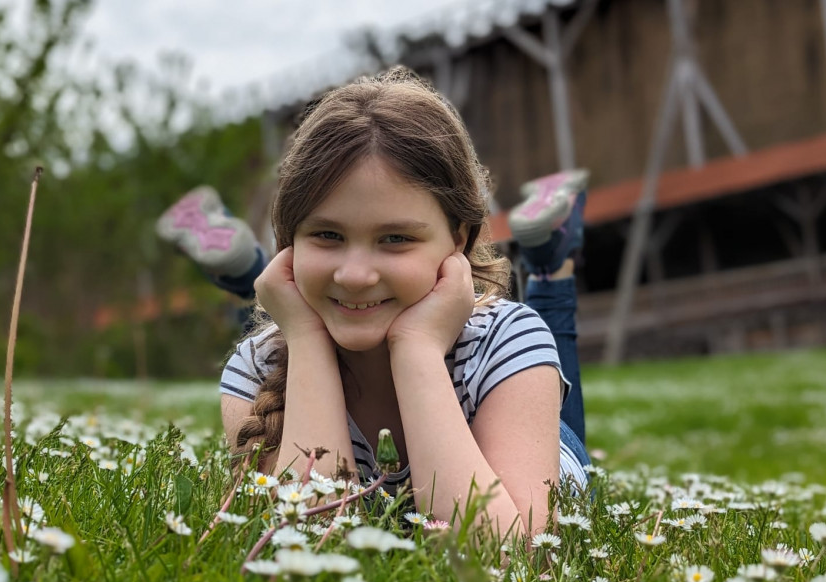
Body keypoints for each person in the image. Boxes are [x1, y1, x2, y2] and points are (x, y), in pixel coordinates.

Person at [157, 67, 590, 536]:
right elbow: (304, 544)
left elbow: (508, 555)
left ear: (457, 240)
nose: (356, 275)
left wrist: (419, 348)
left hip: (520, 422)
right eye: (327, 235)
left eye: (395, 238)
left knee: (540, 341)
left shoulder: (506, 339)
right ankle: (548, 257)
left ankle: (551, 268)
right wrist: (304, 339)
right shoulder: (255, 368)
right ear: (289, 245)